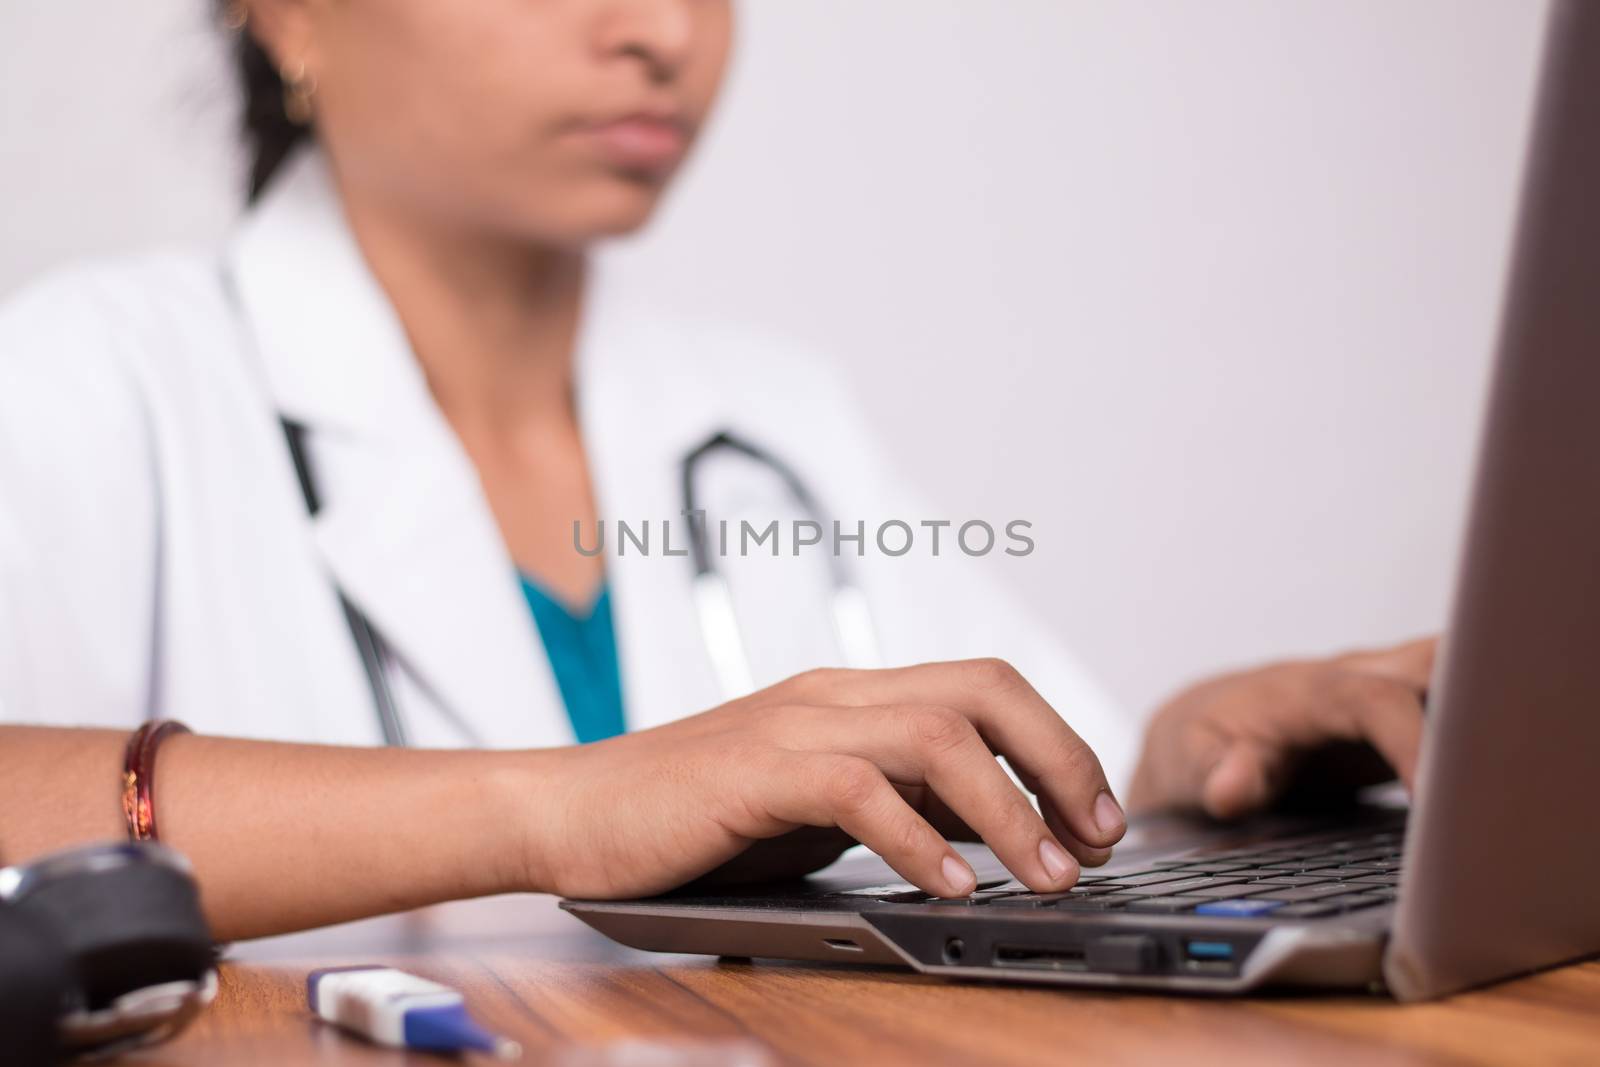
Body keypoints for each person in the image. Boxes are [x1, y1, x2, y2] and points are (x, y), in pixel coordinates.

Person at [0, 0, 1433, 942]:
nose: (663, 30)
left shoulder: (766, 412)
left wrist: (1215, 759)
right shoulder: (85, 380)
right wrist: (565, 804)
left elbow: (1038, 781)